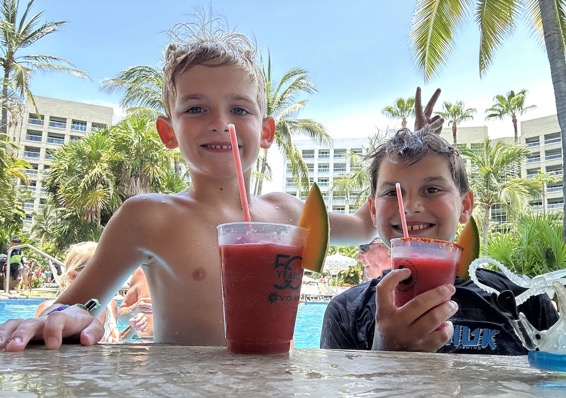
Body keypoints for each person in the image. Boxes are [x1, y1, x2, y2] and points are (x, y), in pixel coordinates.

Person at [0, 20, 374, 352]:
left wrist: (407, 160)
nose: (220, 122)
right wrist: (63, 317)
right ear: (168, 132)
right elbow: (80, 302)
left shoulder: (289, 213)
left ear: (265, 132)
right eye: (196, 108)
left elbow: (365, 225)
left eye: (240, 109)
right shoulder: (148, 216)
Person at [320, 127, 559, 354]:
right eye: (393, 192)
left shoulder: (521, 300)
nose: (411, 207)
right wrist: (385, 351)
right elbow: (340, 396)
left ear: (465, 206)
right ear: (373, 211)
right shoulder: (347, 311)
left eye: (432, 189)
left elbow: (564, 388)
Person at [35, 242, 129, 344]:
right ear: (73, 276)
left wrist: (132, 328)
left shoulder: (110, 306)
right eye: (101, 270)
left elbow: (113, 341)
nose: (110, 276)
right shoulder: (50, 310)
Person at [118, 267, 154, 341]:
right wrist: (134, 309)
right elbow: (120, 319)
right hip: (142, 346)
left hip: (181, 346)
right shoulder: (143, 271)